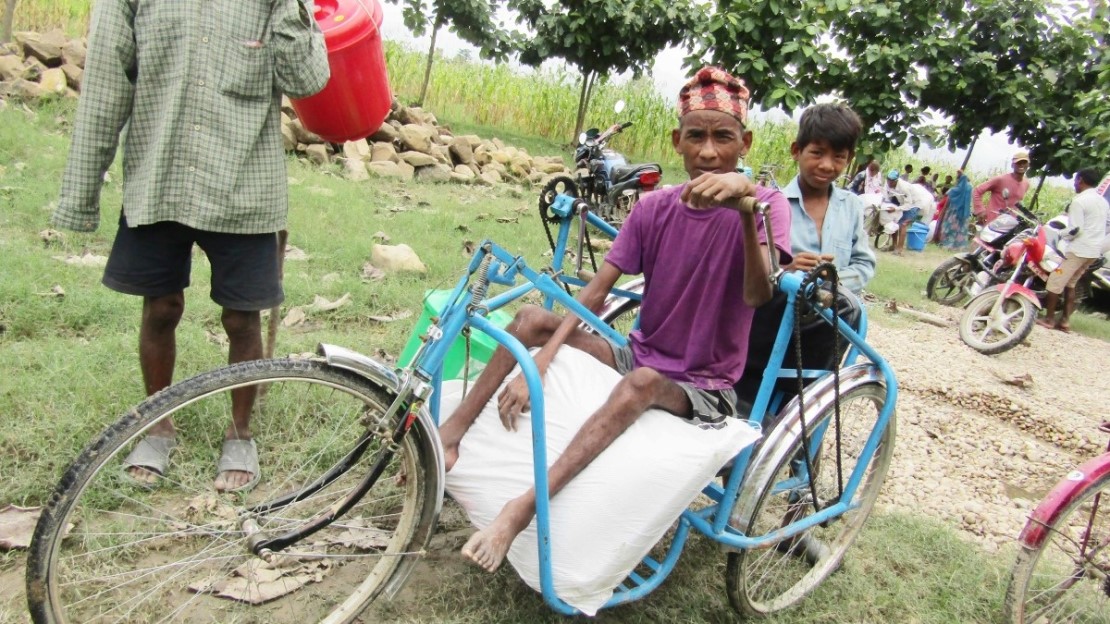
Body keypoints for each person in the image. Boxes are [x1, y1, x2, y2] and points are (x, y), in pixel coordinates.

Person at [437, 66, 792, 573]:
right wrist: (539, 361)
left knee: (642, 382)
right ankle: (451, 434)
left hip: (704, 385)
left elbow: (758, 296)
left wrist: (743, 209)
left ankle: (521, 510)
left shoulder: (767, 207)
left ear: (745, 141)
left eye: (723, 138)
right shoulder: (655, 207)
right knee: (533, 318)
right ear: (677, 140)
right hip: (639, 352)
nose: (709, 152)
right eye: (696, 136)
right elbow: (597, 292)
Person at [52, 0, 330, 491]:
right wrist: (80, 195)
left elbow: (308, 79)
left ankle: (240, 431)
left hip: (245, 181)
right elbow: (105, 86)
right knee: (160, 308)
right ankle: (158, 422)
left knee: (241, 318)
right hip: (162, 174)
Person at [782, 102, 875, 294]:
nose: (826, 165)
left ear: (849, 159)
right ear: (796, 151)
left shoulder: (852, 206)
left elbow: (864, 264)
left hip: (835, 316)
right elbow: (754, 266)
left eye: (838, 157)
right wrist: (786, 268)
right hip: (781, 313)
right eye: (817, 153)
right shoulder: (775, 204)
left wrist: (831, 279)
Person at [1037, 168, 1108, 332]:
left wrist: (1060, 234)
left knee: (1055, 281)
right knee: (1071, 284)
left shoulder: (1079, 201)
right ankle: (1065, 322)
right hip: (1093, 252)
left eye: (1076, 180)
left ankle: (1048, 319)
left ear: (1081, 180)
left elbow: (1076, 229)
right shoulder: (1102, 202)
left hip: (1078, 250)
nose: (1075, 183)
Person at [973, 150, 1031, 225]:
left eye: (1024, 163)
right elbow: (977, 191)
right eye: (1018, 163)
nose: (1021, 165)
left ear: (1028, 165)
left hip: (1008, 226)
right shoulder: (1001, 179)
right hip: (991, 223)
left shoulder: (1026, 184)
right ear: (1012, 165)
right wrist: (980, 210)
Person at [937, 170, 973, 249]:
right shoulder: (969, 188)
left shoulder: (955, 190)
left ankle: (947, 244)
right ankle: (959, 245)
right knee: (960, 230)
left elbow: (947, 197)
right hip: (964, 212)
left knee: (950, 229)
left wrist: (943, 212)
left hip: (953, 213)